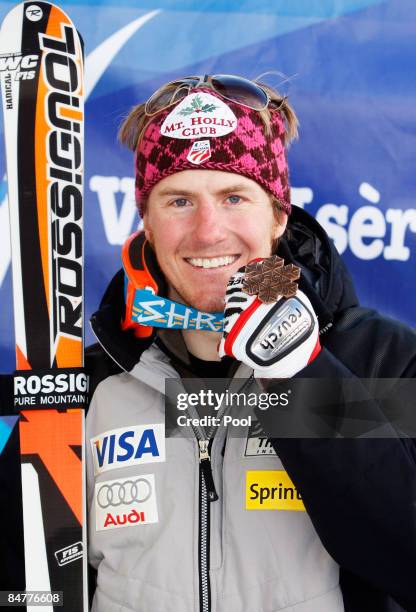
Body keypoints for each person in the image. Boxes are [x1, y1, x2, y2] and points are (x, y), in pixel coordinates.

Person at [86, 74, 416, 612]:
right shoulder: (99, 380)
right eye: (178, 201)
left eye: (234, 196)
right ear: (145, 221)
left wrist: (304, 380)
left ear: (279, 215)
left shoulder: (380, 361)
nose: (209, 231)